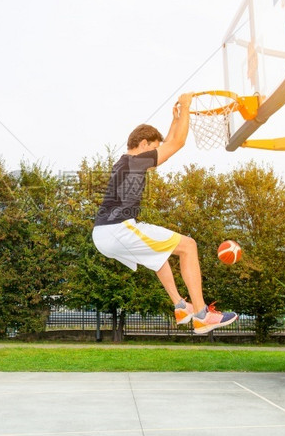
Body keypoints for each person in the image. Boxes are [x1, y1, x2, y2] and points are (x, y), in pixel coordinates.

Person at [91, 93, 238, 334]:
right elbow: (176, 144)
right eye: (154, 148)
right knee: (188, 246)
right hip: (118, 229)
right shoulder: (134, 161)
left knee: (160, 254)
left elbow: (169, 143)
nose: (156, 155)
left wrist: (176, 119)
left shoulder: (125, 161)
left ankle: (180, 305)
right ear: (144, 144)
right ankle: (201, 315)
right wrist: (188, 106)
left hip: (106, 233)